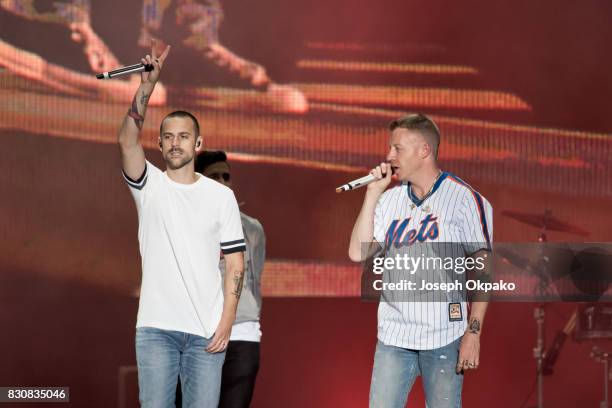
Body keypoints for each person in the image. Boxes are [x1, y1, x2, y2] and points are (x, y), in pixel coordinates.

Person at [119, 41, 246, 407]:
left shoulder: (220, 197)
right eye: (169, 137)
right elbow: (127, 141)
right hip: (156, 330)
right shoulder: (150, 185)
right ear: (158, 144)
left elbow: (235, 263)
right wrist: (146, 87)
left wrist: (226, 323)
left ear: (198, 143)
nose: (176, 143)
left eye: (184, 137)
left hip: (207, 334)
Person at [348, 113, 493, 408]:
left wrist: (473, 333)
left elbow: (483, 271)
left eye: (397, 148)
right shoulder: (389, 201)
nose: (389, 156)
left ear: (424, 150)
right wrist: (373, 194)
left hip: (445, 336)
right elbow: (357, 253)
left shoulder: (465, 199)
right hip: (394, 336)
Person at [193, 150, 266, 408]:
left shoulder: (252, 228)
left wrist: (249, 314)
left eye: (227, 176)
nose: (223, 182)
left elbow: (254, 280)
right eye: (215, 176)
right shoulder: (185, 226)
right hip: (199, 335)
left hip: (243, 334)